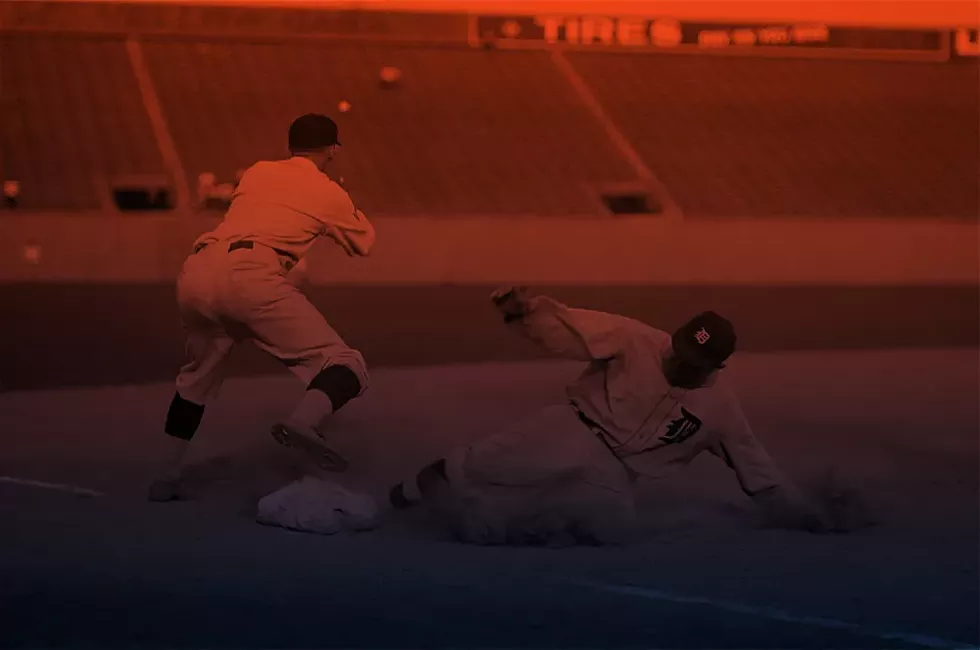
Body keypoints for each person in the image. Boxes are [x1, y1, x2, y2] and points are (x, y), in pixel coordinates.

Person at [388, 287, 839, 546]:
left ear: (716, 366)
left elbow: (759, 472)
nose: (678, 363)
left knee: (612, 530)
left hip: (614, 472)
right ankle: (397, 500)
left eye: (692, 361)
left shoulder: (720, 408)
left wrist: (808, 516)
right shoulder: (636, 339)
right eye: (679, 351)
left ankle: (495, 525)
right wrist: (525, 312)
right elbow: (568, 329)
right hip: (569, 427)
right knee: (477, 464)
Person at [149, 114, 375, 502]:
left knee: (196, 380)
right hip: (252, 276)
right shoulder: (328, 191)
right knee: (346, 363)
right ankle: (304, 422)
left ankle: (166, 478)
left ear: (291, 146)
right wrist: (342, 199)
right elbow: (363, 244)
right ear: (333, 149)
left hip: (198, 273)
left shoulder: (256, 172)